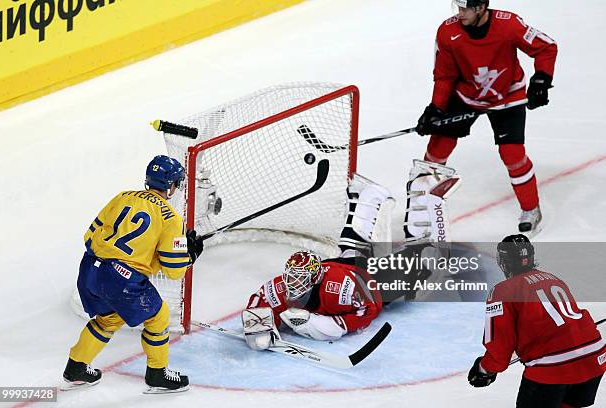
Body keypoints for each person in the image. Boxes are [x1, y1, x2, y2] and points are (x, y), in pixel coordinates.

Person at [241, 168, 460, 348]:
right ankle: (367, 195)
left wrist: (322, 325)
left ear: (315, 278)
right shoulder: (284, 285)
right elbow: (260, 298)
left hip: (374, 281)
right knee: (351, 251)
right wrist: (258, 325)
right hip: (344, 265)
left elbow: (368, 310)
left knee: (434, 265)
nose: (292, 284)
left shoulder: (341, 288)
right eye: (291, 277)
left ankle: (431, 201)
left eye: (299, 279)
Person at [62, 155, 204, 394]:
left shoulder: (123, 197)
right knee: (159, 317)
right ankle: (157, 375)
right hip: (120, 279)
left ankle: (76, 367)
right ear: (171, 185)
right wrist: (188, 254)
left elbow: (89, 236)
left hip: (89, 269)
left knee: (109, 319)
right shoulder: (171, 217)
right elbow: (174, 271)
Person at [415, 0, 558, 235]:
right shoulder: (448, 32)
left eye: (464, 9)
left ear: (480, 7)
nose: (459, 14)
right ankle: (422, 208)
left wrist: (542, 79)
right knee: (437, 148)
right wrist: (436, 109)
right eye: (457, 8)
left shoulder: (509, 25)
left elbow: (547, 46)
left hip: (507, 95)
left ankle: (531, 209)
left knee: (513, 155)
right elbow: (444, 76)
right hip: (465, 95)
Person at [468, 235, 605, 408]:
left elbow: (500, 347)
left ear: (503, 262)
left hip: (554, 367)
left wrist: (484, 369)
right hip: (594, 358)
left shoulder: (502, 291)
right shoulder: (553, 279)